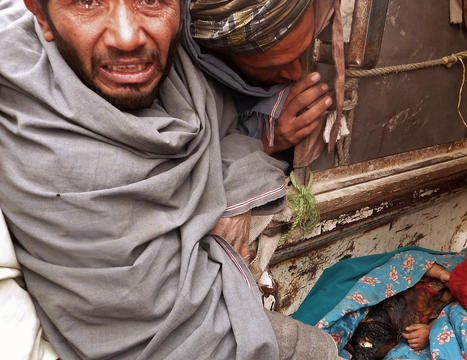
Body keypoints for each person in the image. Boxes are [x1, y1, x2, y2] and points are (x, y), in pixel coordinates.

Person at [0, 0, 337, 358]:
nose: (127, 36)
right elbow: (174, 343)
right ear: (40, 13)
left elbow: (223, 129)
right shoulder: (41, 142)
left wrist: (264, 149)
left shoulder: (181, 73)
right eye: (86, 1)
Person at [183, 0, 336, 155]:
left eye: (303, 52)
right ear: (218, 57)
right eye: (272, 67)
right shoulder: (179, 98)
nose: (296, 73)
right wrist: (264, 141)